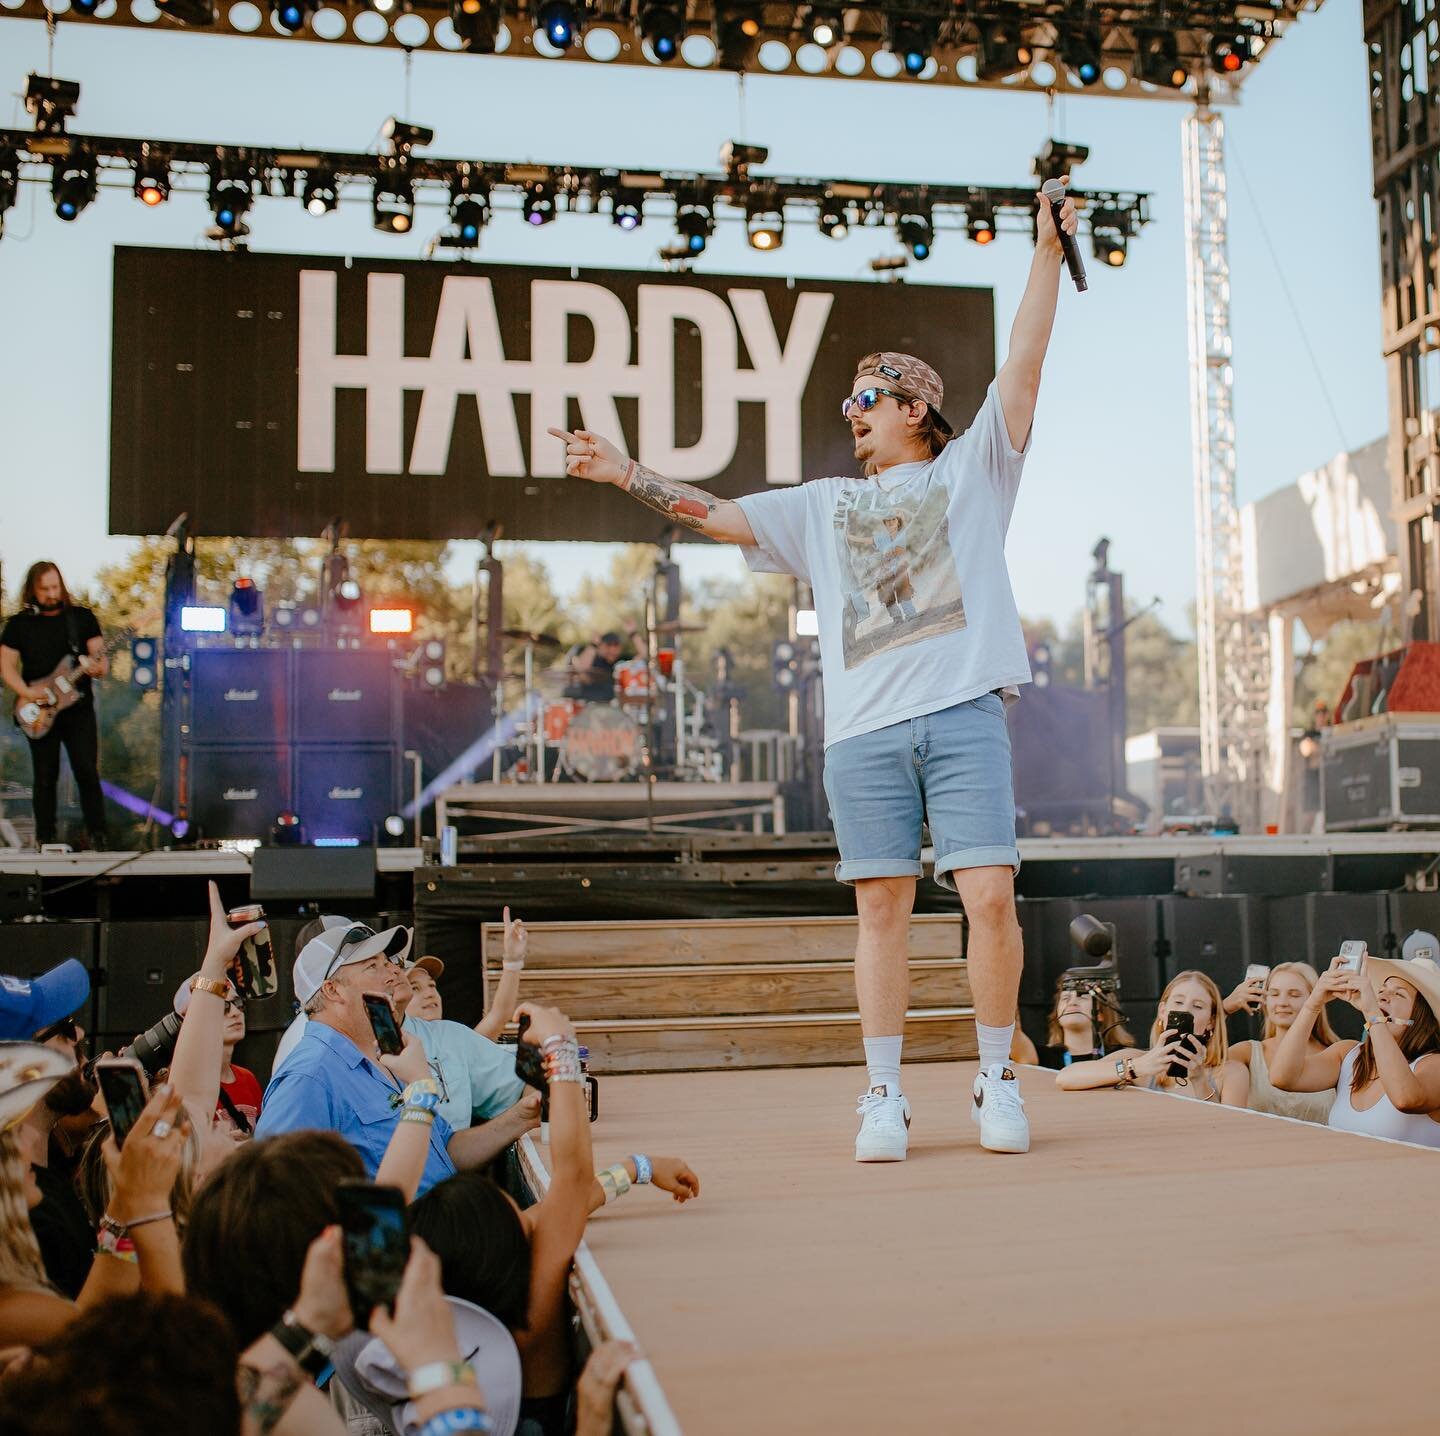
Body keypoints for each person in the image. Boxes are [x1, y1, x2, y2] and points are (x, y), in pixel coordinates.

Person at [549, 185, 1081, 1163]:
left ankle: (997, 1074)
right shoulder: (824, 502)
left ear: (916, 408)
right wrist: (624, 471)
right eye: (847, 403)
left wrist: (1046, 254)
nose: (852, 414)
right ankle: (883, 1094)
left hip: (961, 710)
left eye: (866, 399)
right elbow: (713, 514)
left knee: (990, 895)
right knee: (880, 906)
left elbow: (1026, 365)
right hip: (865, 731)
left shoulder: (973, 472)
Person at [409, 1002, 698, 1436]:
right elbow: (572, 1177)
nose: (528, 1216)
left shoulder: (445, 1321)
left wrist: (639, 1168)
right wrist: (559, 1049)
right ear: (502, 1249)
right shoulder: (532, 1310)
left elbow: (561, 1204)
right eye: (516, 1217)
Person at [253, 922, 536, 1197]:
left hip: (443, 1227)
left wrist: (520, 1118)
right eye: (372, 966)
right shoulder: (309, 1077)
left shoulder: (386, 1054)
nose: (391, 972)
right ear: (333, 990)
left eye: (387, 962)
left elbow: (446, 1149)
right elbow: (275, 1198)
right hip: (401, 1241)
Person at [1269, 937, 1440, 1146]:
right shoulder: (1348, 1054)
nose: (1383, 997)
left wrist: (1372, 1013)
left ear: (1423, 1017)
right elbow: (1282, 1077)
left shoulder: (1433, 1064)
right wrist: (1314, 1002)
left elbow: (1406, 1098)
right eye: (1382, 991)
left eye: (1398, 994)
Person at [2, 959, 96, 1299]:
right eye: (66, 1029)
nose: (80, 1034)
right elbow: (82, 1334)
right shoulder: (22, 1216)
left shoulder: (50, 1166)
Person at [0, 561, 109, 849]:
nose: (51, 593)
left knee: (86, 769)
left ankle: (98, 835)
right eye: (45, 588)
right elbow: (7, 666)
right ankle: (44, 837)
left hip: (78, 709)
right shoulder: (18, 625)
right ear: (32, 590)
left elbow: (102, 663)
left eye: (55, 587)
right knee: (45, 775)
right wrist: (27, 691)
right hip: (39, 710)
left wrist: (93, 666)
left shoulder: (81, 618)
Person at [1054, 971, 1229, 1101]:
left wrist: (1199, 1080)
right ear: (1162, 1011)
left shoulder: (1229, 1072)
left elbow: (1231, 1130)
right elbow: (1066, 1077)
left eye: (1197, 1006)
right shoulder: (1137, 1059)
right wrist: (1137, 1067)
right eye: (1178, 1002)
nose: (1185, 1010)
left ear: (1211, 1022)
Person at [1220, 963, 1338, 1122]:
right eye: (1274, 994)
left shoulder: (1335, 1055)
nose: (1282, 1002)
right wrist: (1225, 1008)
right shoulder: (1247, 1053)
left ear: (1316, 998)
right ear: (1265, 1000)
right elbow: (1201, 1059)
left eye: (1294, 995)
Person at [172, 974, 263, 1133]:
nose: (235, 1012)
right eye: (221, 1007)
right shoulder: (186, 1084)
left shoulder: (248, 1079)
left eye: (237, 1003)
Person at [1043, 975, 1136, 1069]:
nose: (1072, 1003)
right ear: (1057, 1015)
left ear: (1101, 1013)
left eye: (1082, 997)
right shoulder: (1043, 1057)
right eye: (1065, 998)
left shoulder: (1124, 1056)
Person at [562, 632, 623, 702]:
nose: (613, 651)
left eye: (616, 647)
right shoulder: (591, 655)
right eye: (609, 646)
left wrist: (633, 634)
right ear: (602, 646)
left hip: (607, 703)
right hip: (588, 701)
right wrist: (593, 645)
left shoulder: (619, 662)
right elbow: (582, 669)